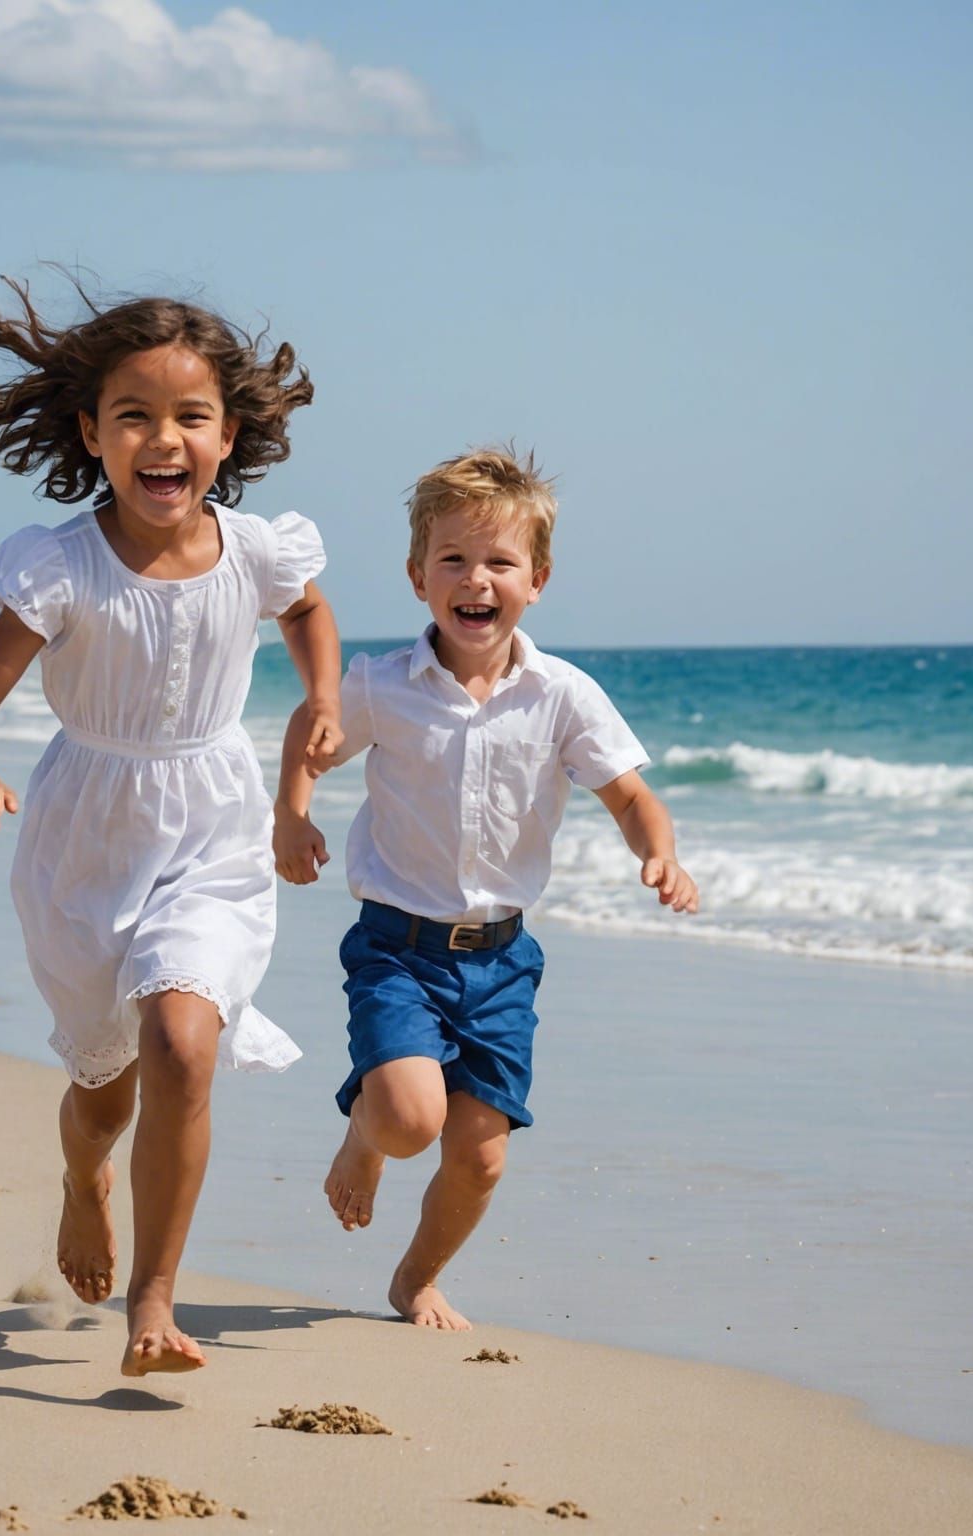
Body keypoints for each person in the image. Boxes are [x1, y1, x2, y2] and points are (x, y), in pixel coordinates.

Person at [0, 278, 342, 1375]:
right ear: (91, 433)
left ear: (230, 434)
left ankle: (155, 1301)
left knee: (180, 1041)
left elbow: (306, 609)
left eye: (190, 417)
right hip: (83, 840)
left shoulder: (259, 551)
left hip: (214, 824)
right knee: (104, 1087)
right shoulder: (58, 565)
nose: (164, 439)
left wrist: (324, 701)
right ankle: (82, 1180)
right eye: (135, 416)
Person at [274, 446, 696, 1331]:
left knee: (480, 1158)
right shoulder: (381, 686)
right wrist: (292, 813)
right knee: (408, 1118)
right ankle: (366, 1138)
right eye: (454, 561)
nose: (477, 579)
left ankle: (415, 1278)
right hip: (396, 945)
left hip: (502, 963)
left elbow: (629, 794)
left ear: (536, 579)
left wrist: (660, 854)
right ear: (418, 577)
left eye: (500, 562)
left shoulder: (564, 695)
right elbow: (312, 739)